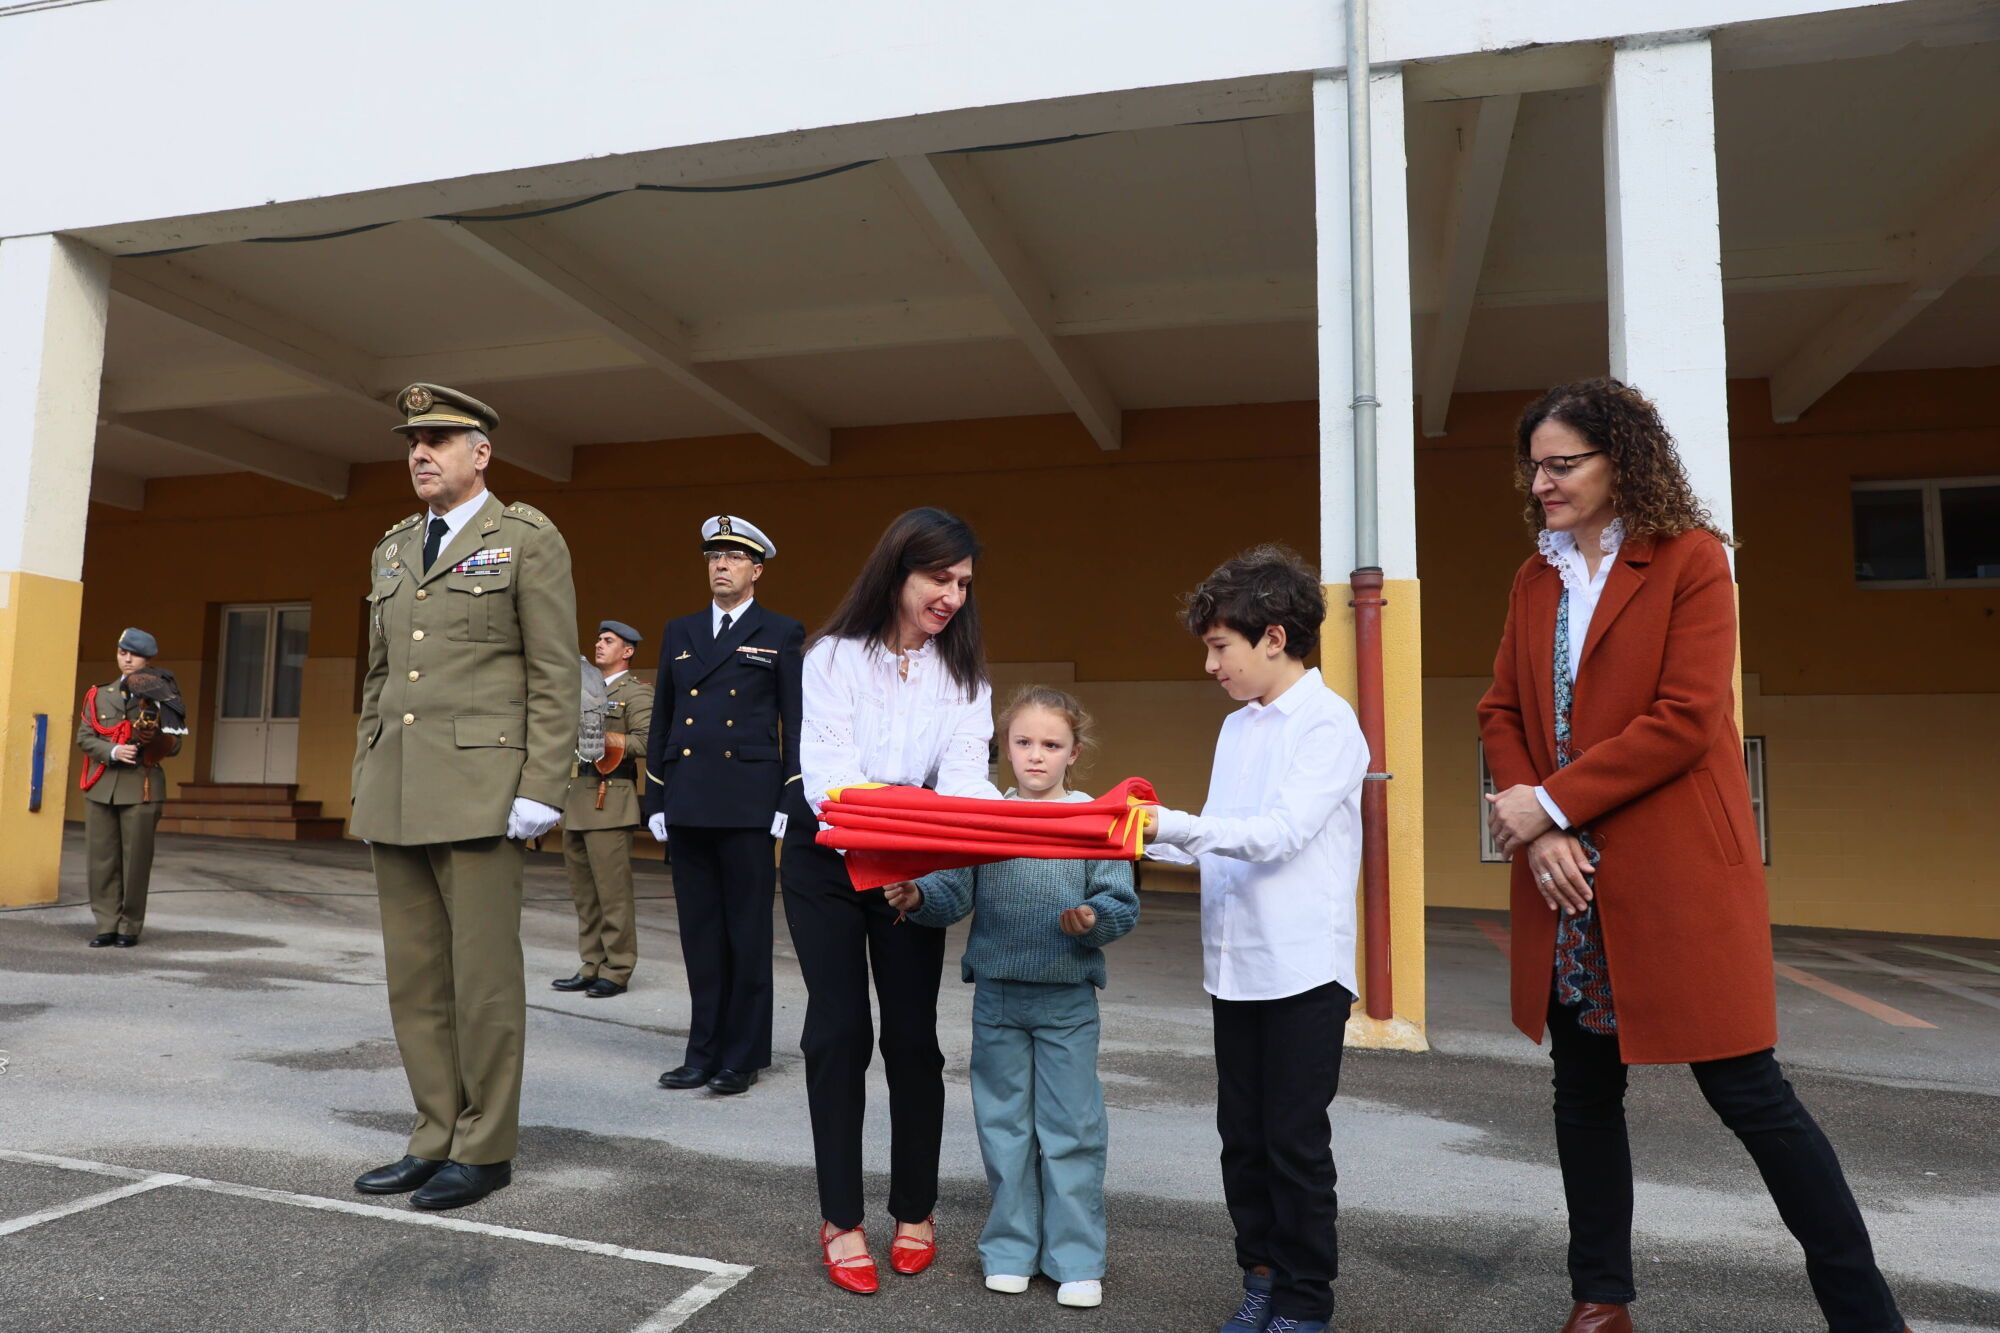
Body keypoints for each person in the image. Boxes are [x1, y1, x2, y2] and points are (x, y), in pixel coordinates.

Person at [1477, 378, 1910, 1333]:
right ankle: (1602, 1299)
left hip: (1670, 876)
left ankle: (1868, 1313)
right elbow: (1502, 710)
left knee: (1752, 1094)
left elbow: (1684, 719)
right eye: (1534, 467)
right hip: (1567, 880)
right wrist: (1542, 831)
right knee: (1583, 1092)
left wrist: (1549, 800)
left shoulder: (1693, 560)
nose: (1541, 483)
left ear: (1618, 459)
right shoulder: (1534, 575)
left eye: (1561, 464)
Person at [349, 382, 578, 1211]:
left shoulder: (525, 539)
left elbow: (556, 673)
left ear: (480, 452)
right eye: (413, 438)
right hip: (399, 789)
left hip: (485, 792)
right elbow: (379, 677)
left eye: (440, 437)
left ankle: (485, 1147)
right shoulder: (392, 547)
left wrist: (541, 787)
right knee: (414, 978)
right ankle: (433, 1133)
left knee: (481, 979)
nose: (420, 451)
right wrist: (365, 776)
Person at [1139, 545, 1369, 1333]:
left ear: (1274, 637)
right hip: (1234, 966)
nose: (1211, 664)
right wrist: (1138, 837)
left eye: (1218, 646)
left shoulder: (1331, 725)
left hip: (1303, 968)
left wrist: (1173, 824)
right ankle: (1261, 1277)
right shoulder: (1238, 728)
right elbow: (1217, 833)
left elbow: (1275, 834)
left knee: (1294, 1141)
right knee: (1242, 1138)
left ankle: (1306, 1300)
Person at [782, 506, 999, 1295]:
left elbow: (968, 777)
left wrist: (997, 818)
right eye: (939, 578)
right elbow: (832, 774)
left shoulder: (965, 675)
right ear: (898, 571)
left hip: (910, 863)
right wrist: (923, 804)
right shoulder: (832, 657)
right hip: (829, 856)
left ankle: (915, 1205)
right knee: (837, 1032)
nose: (952, 596)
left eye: (964, 584)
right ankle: (841, 1217)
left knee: (912, 1040)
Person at [884, 685, 1138, 1311]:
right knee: (1003, 1129)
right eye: (1023, 742)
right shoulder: (985, 815)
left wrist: (1093, 918)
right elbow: (954, 889)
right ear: (1004, 747)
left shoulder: (1092, 819)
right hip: (996, 997)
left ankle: (1076, 1259)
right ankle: (1009, 1249)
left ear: (1074, 752)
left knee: (1072, 1130)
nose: (1036, 756)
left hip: (1068, 1002)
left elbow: (1119, 900)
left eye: (1051, 745)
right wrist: (920, 900)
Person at [643, 515, 804, 1096]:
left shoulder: (780, 631)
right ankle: (701, 1050)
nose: (720, 565)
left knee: (746, 933)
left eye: (734, 557)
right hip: (688, 798)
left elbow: (796, 721)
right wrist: (655, 793)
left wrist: (792, 791)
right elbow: (662, 715)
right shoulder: (680, 630)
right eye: (713, 555)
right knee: (700, 935)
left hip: (748, 802)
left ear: (756, 569)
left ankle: (743, 1055)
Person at [553, 620, 652, 999]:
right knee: (584, 892)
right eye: (598, 639)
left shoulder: (637, 693)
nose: (599, 645)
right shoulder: (582, 688)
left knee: (612, 893)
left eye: (608, 641)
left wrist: (600, 735)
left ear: (627, 651)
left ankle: (618, 967)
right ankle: (591, 963)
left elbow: (645, 741)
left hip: (610, 797)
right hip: (578, 794)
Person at [75, 627, 183, 947]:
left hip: (141, 785)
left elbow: (175, 747)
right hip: (102, 785)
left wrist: (155, 739)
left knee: (134, 861)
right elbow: (85, 737)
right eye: (123, 652)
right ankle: (106, 924)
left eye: (134, 654)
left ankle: (129, 927)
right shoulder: (100, 694)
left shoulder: (163, 694)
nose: (127, 659)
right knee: (101, 859)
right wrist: (112, 751)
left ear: (147, 659)